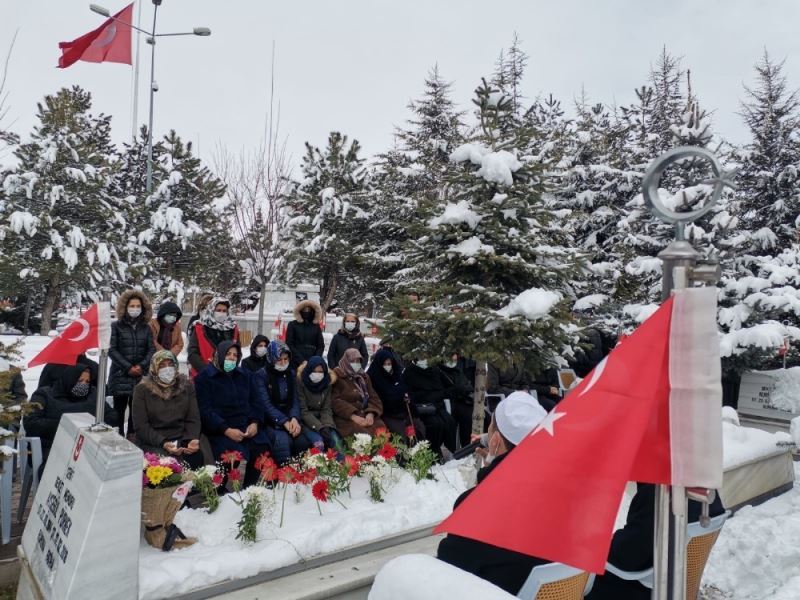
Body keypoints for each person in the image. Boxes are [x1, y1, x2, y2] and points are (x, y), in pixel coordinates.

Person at [437, 392, 548, 594]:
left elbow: (448, 566)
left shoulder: (477, 506)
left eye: (490, 427)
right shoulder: (562, 496)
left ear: (495, 441)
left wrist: (489, 474)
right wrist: (491, 468)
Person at [586, 483, 725, 600]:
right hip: (677, 583)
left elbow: (629, 559)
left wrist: (599, 547)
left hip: (644, 589)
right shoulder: (707, 491)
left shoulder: (658, 495)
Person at [195, 340, 271, 487]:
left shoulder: (245, 375)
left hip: (245, 426)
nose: (231, 358)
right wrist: (226, 429)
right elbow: (205, 410)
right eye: (228, 354)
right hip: (220, 429)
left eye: (235, 355)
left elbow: (257, 401)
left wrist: (255, 422)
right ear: (219, 354)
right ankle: (222, 489)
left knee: (261, 448)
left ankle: (250, 488)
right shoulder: (204, 378)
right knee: (232, 455)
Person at [24, 366, 120, 473]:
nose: (83, 384)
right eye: (80, 380)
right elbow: (31, 423)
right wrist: (66, 425)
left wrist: (94, 424)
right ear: (69, 379)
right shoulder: (44, 394)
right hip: (52, 447)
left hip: (87, 447)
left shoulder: (92, 394)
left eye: (87, 381)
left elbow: (113, 416)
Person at [132, 350, 203, 469]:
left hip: (181, 438)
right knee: (163, 467)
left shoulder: (186, 386)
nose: (167, 369)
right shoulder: (142, 390)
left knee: (196, 458)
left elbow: (193, 418)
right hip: (153, 441)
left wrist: (191, 438)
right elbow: (141, 426)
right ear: (154, 368)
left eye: (171, 364)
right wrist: (163, 442)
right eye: (162, 365)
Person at [261, 341, 322, 463]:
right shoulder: (262, 376)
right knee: (283, 442)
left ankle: (301, 475)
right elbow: (266, 404)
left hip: (290, 419)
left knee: (303, 442)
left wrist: (294, 418)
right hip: (270, 422)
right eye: (279, 359)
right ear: (271, 358)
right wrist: (284, 421)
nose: (283, 363)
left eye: (286, 359)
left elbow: (295, 400)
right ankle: (281, 476)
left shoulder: (291, 374)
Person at [108, 290, 156, 437]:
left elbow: (151, 349)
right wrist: (128, 367)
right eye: (132, 305)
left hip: (141, 376)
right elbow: (112, 349)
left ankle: (132, 438)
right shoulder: (116, 326)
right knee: (119, 411)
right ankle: (118, 437)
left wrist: (141, 366)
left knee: (136, 411)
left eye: (138, 306)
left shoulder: (146, 328)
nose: (135, 309)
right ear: (125, 306)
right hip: (120, 375)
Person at [402, 358, 458, 459]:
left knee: (449, 422)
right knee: (435, 425)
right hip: (420, 408)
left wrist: (435, 398)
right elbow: (409, 394)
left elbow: (447, 388)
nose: (424, 359)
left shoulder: (434, 370)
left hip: (437, 406)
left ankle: (440, 450)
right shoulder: (409, 372)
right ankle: (432, 451)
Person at [366, 348, 424, 441]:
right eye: (384, 364)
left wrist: (408, 398)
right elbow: (379, 398)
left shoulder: (397, 374)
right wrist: (398, 397)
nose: (387, 366)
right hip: (388, 414)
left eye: (389, 364)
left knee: (418, 429)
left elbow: (406, 390)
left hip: (404, 411)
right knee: (400, 436)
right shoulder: (373, 377)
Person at [331, 348, 386, 437]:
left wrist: (371, 413)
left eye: (358, 361)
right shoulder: (337, 375)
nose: (356, 364)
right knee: (361, 434)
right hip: (346, 417)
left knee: (381, 429)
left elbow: (373, 397)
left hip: (364, 413)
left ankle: (383, 451)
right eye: (353, 361)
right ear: (346, 361)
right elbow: (335, 401)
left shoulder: (364, 377)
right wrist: (353, 416)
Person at [298, 356, 344, 451]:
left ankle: (343, 464)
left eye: (320, 372)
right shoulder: (301, 382)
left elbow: (326, 408)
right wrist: (319, 427)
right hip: (306, 422)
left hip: (322, 419)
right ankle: (319, 465)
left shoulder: (326, 383)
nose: (317, 374)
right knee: (318, 443)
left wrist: (327, 425)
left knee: (336, 441)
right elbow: (303, 411)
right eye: (314, 371)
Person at [187, 297, 240, 379]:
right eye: (218, 310)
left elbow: (238, 351)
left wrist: (230, 368)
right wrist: (206, 370)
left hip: (226, 376)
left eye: (224, 311)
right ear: (211, 310)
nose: (221, 313)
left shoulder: (233, 328)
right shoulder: (200, 328)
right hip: (204, 375)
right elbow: (192, 353)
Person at [437, 353, 475, 448]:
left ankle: (476, 445)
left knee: (481, 415)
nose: (454, 358)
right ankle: (466, 447)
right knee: (467, 416)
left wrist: (464, 389)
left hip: (462, 400)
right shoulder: (438, 371)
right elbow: (440, 391)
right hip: (448, 404)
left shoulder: (457, 371)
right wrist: (456, 389)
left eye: (455, 355)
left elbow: (467, 386)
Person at [285, 300, 325, 369]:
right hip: (295, 362)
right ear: (300, 310)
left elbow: (320, 345)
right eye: (304, 309)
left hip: (313, 363)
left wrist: (314, 360)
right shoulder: (292, 324)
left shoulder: (316, 326)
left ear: (313, 311)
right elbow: (289, 343)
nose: (307, 311)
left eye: (309, 309)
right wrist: (301, 360)